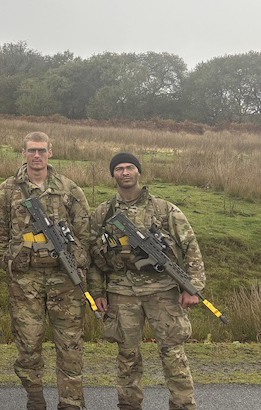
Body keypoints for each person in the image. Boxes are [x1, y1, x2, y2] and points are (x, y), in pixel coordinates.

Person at [87, 152, 203, 410]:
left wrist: (192, 287)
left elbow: (190, 247)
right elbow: (92, 256)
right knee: (127, 357)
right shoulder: (103, 213)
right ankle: (129, 406)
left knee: (173, 354)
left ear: (139, 172)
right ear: (113, 174)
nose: (125, 172)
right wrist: (97, 292)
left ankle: (183, 406)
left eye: (130, 167)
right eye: (119, 168)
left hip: (163, 291)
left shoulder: (164, 209)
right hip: (121, 293)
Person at [0, 132, 91, 410]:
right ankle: (35, 400)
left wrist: (75, 261)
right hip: (25, 281)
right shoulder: (8, 190)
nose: (36, 155)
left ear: (50, 153)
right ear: (23, 153)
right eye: (31, 150)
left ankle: (70, 404)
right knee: (28, 346)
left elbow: (85, 234)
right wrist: (8, 262)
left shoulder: (69, 189)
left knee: (70, 347)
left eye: (41, 150)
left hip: (64, 280)